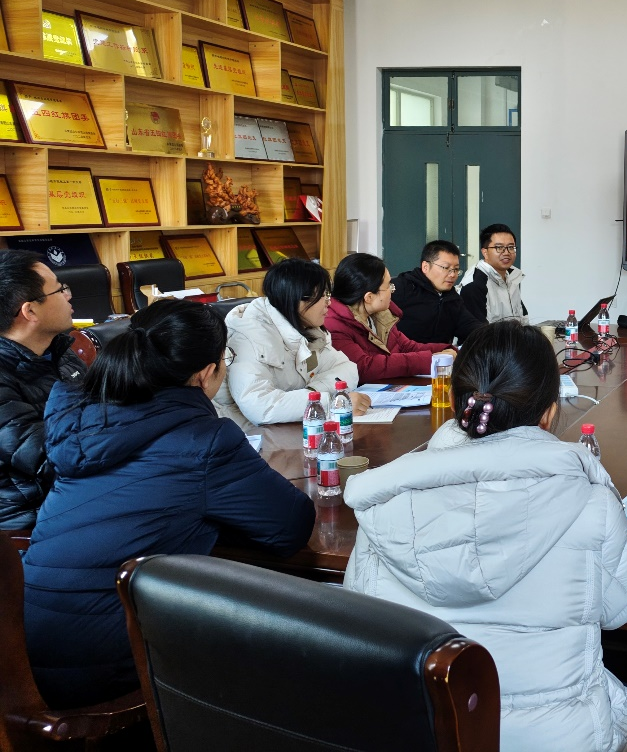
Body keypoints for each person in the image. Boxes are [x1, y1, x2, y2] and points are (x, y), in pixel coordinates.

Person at [344, 320, 627, 752]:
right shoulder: (588, 499)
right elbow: (625, 606)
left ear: (459, 403)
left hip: (420, 736)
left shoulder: (383, 499)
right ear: (549, 411)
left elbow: (359, 611)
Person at [22, 299, 315, 709]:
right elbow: (290, 528)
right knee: (292, 641)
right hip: (109, 663)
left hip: (29, 650)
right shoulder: (205, 440)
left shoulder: (80, 418)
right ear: (206, 373)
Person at [217, 258, 370, 427]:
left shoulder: (308, 329)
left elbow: (346, 368)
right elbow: (260, 406)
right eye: (323, 295)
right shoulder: (250, 336)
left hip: (288, 425)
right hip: (248, 431)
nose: (329, 302)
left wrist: (313, 393)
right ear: (297, 299)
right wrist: (331, 403)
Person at [0, 251, 86, 530]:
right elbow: (48, 459)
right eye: (60, 290)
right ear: (30, 311)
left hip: (76, 495)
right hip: (32, 521)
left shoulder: (58, 350)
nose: (68, 296)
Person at [326, 252, 455, 383]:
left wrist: (446, 350)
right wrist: (431, 360)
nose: (393, 290)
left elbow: (406, 346)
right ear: (369, 297)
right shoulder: (335, 326)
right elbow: (364, 368)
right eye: (388, 286)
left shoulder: (379, 315)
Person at [392, 240, 486, 345]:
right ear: (425, 267)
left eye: (456, 269)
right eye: (446, 268)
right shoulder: (401, 288)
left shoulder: (452, 298)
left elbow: (470, 326)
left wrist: (494, 334)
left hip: (441, 354)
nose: (452, 275)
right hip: (404, 353)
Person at [460, 223, 528, 324]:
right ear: (485, 252)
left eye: (511, 247)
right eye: (499, 248)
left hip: (514, 334)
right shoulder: (474, 284)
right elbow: (478, 330)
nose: (506, 252)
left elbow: (523, 317)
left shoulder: (512, 276)